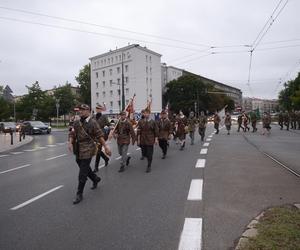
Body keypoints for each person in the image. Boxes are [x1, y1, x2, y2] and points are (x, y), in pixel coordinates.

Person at [68, 104, 111, 205]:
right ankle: (95, 178)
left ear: (88, 111)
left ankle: (79, 194)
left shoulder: (92, 122)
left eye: (83, 110)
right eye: (80, 110)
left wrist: (106, 146)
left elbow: (100, 135)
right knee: (81, 164)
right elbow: (72, 133)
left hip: (88, 147)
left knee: (83, 171)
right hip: (78, 147)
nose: (81, 111)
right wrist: (70, 142)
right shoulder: (77, 122)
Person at [93, 104, 110, 172]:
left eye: (99, 108)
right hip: (94, 136)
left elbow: (108, 124)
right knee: (97, 150)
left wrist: (108, 131)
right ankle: (106, 158)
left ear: (101, 109)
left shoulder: (104, 116)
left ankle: (96, 167)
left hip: (101, 135)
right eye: (97, 108)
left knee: (98, 151)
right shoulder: (93, 116)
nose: (97, 109)